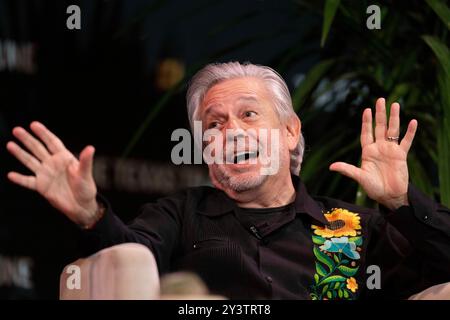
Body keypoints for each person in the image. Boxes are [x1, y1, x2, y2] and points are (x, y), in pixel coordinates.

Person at [6, 62, 450, 299]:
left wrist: (402, 203)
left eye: (249, 114)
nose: (231, 130)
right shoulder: (179, 214)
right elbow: (125, 263)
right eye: (213, 123)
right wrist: (91, 214)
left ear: (291, 130)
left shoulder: (353, 227)